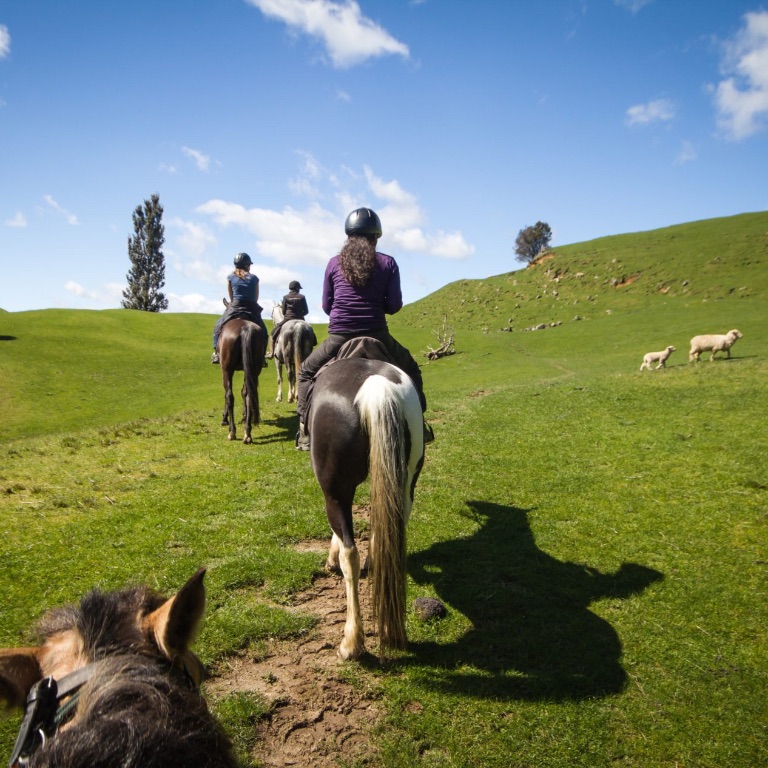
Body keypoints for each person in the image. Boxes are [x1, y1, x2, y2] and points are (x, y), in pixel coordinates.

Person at [295, 207, 433, 450]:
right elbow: (395, 305)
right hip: (377, 334)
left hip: (339, 336)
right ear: (376, 237)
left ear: (348, 236)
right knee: (411, 368)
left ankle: (305, 432)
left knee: (306, 371)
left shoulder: (333, 263)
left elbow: (327, 305)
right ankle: (420, 425)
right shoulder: (388, 263)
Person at [211, 252, 268, 363]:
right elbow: (256, 298)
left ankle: (216, 354)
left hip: (235, 307)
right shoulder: (255, 279)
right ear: (246, 265)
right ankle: (262, 357)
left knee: (217, 327)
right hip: (251, 308)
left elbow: (231, 298)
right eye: (249, 265)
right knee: (264, 332)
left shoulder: (230, 278)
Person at [266, 280, 316, 358]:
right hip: (300, 319)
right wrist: (300, 315)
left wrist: (288, 315)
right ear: (297, 288)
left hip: (288, 319)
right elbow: (306, 311)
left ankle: (271, 353)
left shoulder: (285, 297)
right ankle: (311, 349)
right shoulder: (302, 297)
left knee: (272, 334)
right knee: (312, 333)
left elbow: (283, 311)